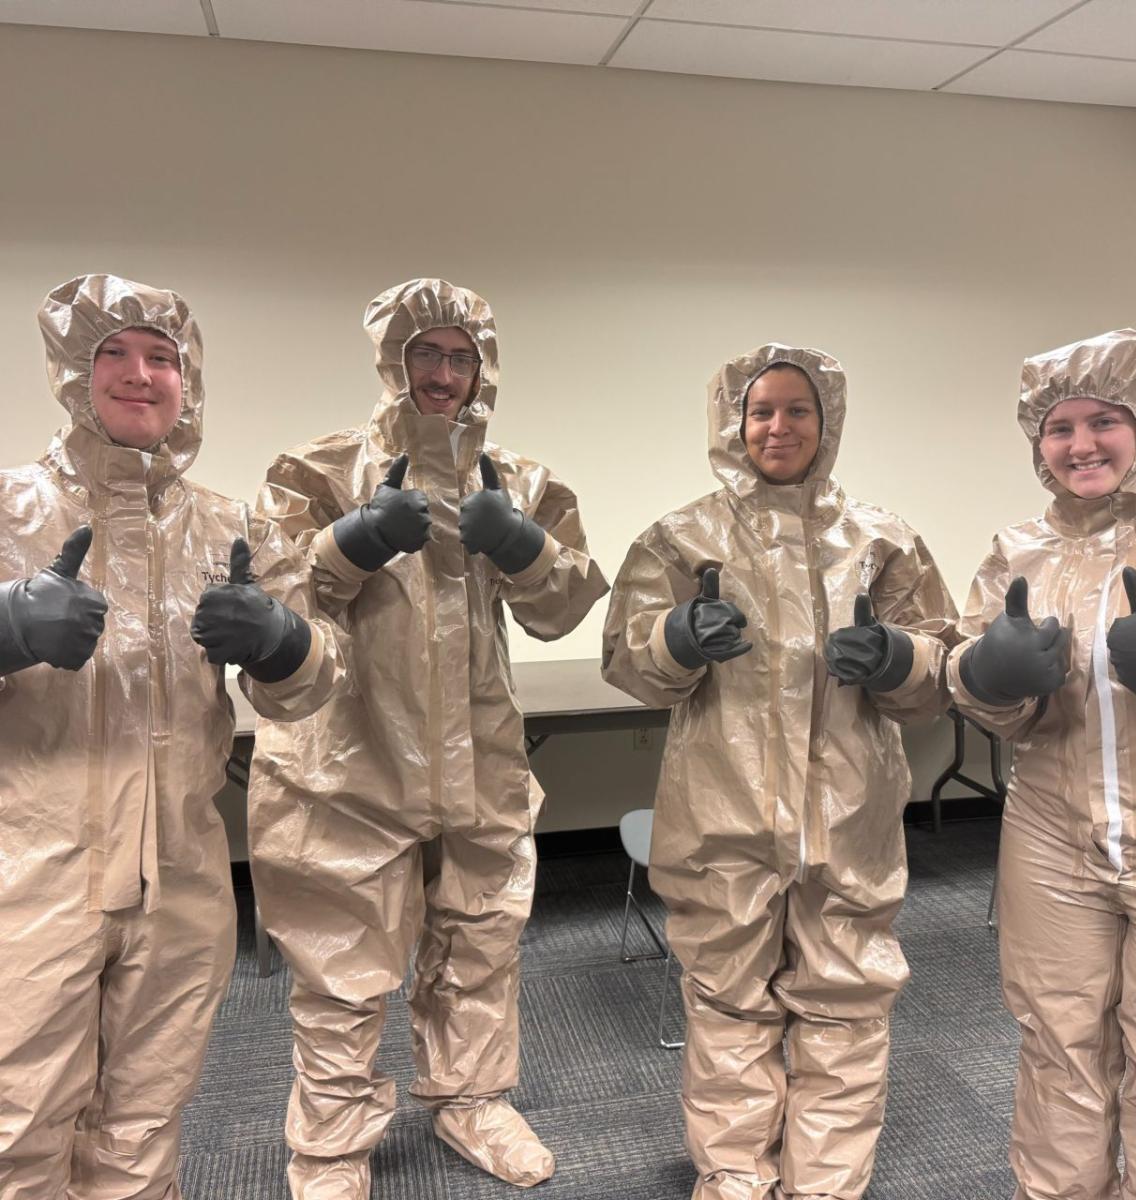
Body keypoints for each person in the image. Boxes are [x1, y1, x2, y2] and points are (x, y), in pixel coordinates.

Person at [249, 278, 609, 1197]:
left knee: (482, 939)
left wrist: (521, 546)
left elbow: (565, 611)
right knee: (342, 963)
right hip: (349, 759)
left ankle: (473, 1101)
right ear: (391, 359)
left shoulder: (517, 478)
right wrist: (352, 543)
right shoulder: (317, 471)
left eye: (461, 356)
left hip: (479, 756)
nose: (442, 373)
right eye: (425, 353)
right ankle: (330, 1147)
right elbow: (271, 612)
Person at [0, 274, 343, 1199]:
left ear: (187, 383)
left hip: (181, 882)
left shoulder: (231, 526)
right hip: (32, 879)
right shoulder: (9, 511)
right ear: (75, 372)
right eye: (114, 352)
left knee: (146, 1119)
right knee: (17, 1123)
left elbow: (317, 683)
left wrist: (279, 642)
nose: (140, 374)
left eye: (163, 358)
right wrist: (8, 628)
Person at [602, 344, 957, 1200]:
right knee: (728, 1000)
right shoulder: (680, 538)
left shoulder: (883, 539)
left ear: (826, 422)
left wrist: (899, 659)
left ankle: (826, 1179)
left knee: (847, 997)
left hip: (851, 815)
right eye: (761, 410)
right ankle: (733, 1172)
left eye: (799, 410)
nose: (778, 426)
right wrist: (677, 640)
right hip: (720, 815)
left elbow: (943, 673)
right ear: (733, 422)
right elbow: (628, 660)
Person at [948, 328, 1136, 1200]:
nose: (1081, 445)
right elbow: (973, 679)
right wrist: (987, 673)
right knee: (1058, 1048)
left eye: (1104, 421)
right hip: (1051, 836)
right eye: (1059, 428)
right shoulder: (1020, 548)